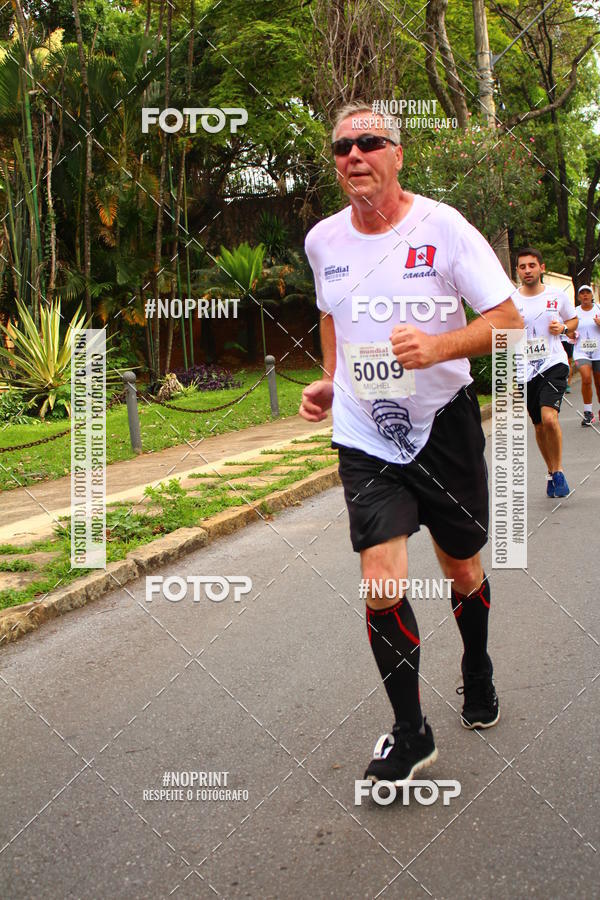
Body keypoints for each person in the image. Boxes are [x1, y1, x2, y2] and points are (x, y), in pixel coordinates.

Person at [299, 102, 522, 787]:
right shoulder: (322, 241)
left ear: (398, 154)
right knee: (381, 582)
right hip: (366, 432)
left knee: (462, 570)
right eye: (342, 147)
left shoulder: (442, 227)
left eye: (370, 142)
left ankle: (476, 666)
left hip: (444, 424)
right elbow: (331, 316)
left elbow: (509, 320)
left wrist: (438, 347)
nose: (354, 155)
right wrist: (331, 379)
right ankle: (411, 732)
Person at [512, 249, 577, 498]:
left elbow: (573, 321)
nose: (527, 270)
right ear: (517, 271)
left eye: (532, 265)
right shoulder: (511, 300)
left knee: (549, 418)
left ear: (542, 267)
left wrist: (563, 328)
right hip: (525, 370)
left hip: (553, 363)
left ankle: (558, 471)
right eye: (522, 267)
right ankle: (550, 471)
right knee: (539, 426)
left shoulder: (556, 295)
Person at [572, 284, 600, 426]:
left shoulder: (598, 309)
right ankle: (588, 413)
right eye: (582, 293)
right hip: (581, 351)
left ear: (591, 295)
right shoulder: (574, 312)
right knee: (587, 378)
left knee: (599, 383)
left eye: (587, 292)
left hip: (598, 352)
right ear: (578, 297)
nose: (585, 295)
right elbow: (567, 330)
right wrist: (571, 334)